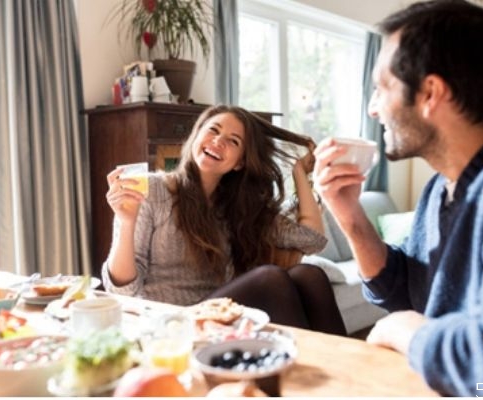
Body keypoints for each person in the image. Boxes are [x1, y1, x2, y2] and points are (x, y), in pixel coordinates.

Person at [313, 0, 483, 396]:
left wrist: (407, 331)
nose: (372, 109)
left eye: (381, 89)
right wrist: (348, 214)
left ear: (430, 93)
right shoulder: (440, 187)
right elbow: (405, 292)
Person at [102, 104, 347, 335]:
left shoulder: (239, 208)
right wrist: (126, 221)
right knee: (270, 279)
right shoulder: (153, 189)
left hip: (222, 313)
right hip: (173, 320)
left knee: (309, 275)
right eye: (213, 130)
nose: (218, 141)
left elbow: (313, 241)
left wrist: (298, 173)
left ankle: (343, 371)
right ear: (197, 136)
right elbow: (124, 290)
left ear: (240, 162)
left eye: (233, 141)